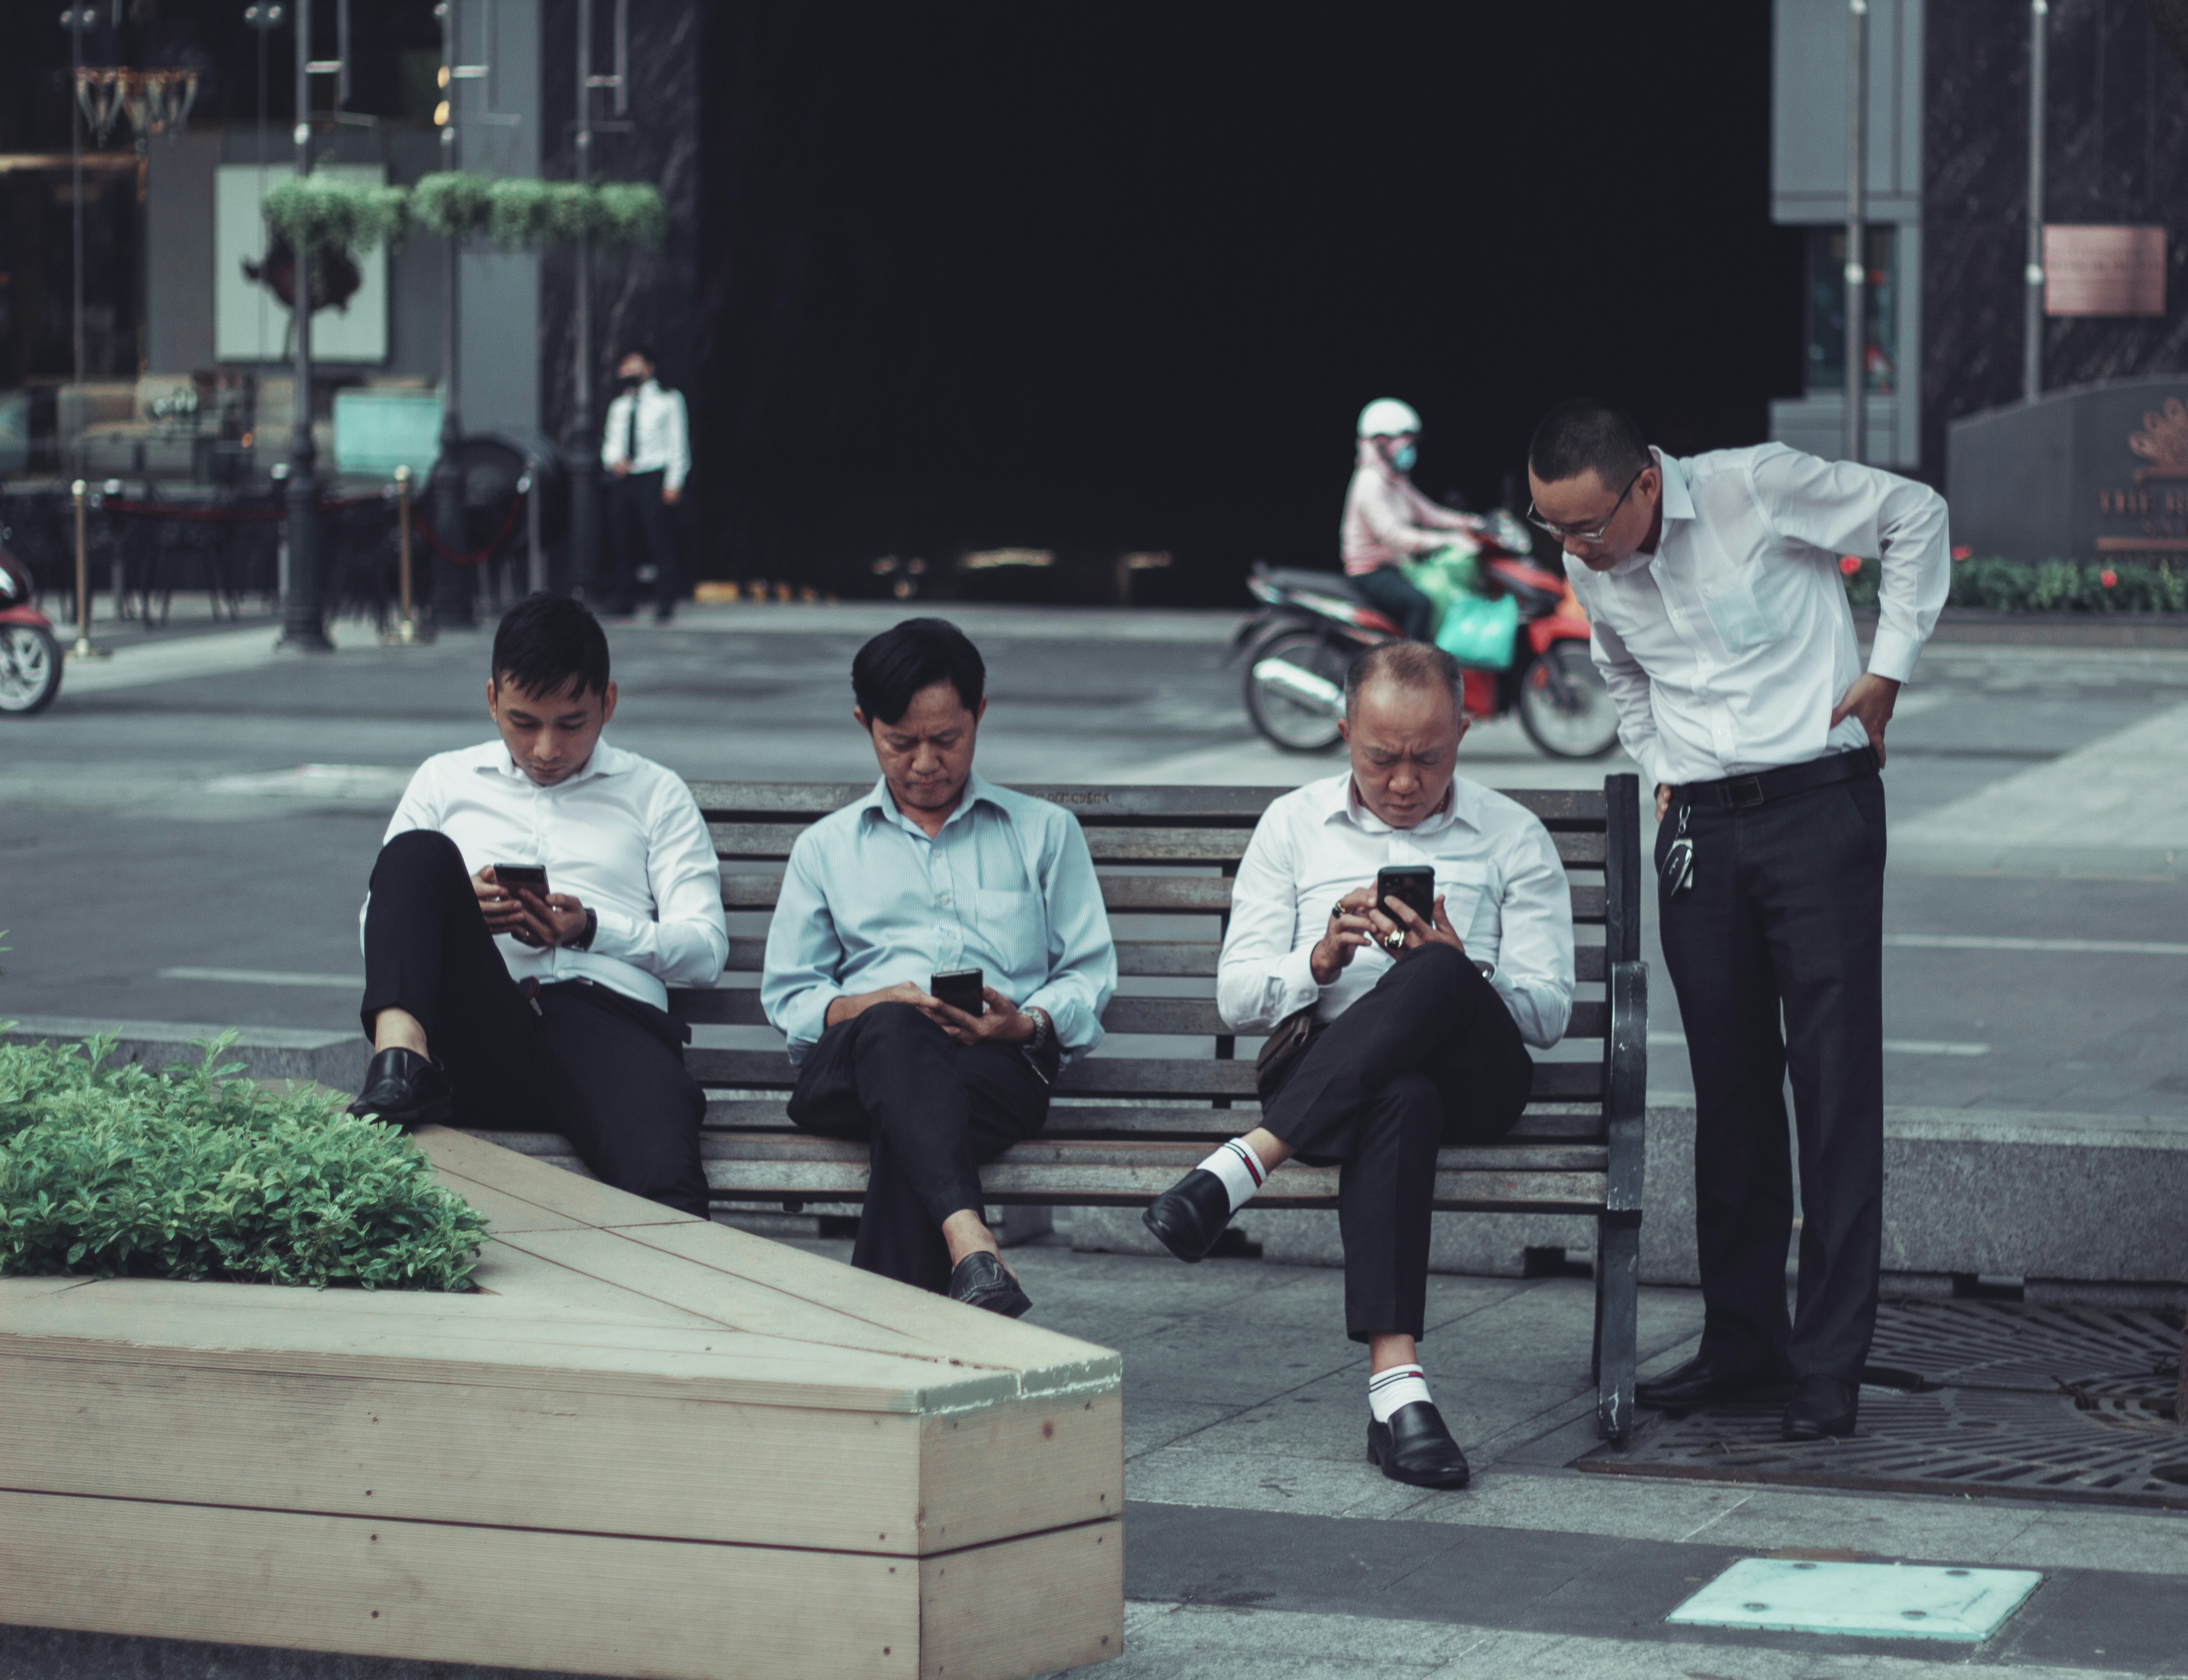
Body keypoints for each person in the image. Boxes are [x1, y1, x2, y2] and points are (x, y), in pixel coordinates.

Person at [1526, 399, 1949, 1443]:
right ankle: (1743, 1341)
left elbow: (1916, 513)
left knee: (1834, 1086)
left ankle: (1829, 1360)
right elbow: (1622, 673)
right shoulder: (1594, 562)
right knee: (1729, 1089)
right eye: (1553, 530)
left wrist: (1886, 667)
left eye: (1588, 527)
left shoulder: (1755, 487)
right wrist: (1663, 769)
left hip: (1818, 807)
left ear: (1645, 486)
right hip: (1702, 832)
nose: (1574, 549)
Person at [1141, 642, 1573, 1489]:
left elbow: (1548, 1013)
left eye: (1429, 757)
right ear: (1345, 734)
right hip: (1329, 1087)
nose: (1405, 782)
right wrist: (1319, 963)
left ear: (1465, 730)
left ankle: (1238, 1168)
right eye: (1382, 758)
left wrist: (1461, 968)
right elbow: (1237, 997)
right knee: (1398, 1094)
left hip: (1476, 1082)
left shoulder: (1513, 836)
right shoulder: (1294, 824)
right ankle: (1398, 1391)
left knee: (1441, 972)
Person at [760, 618, 1117, 1316]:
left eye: (947, 739)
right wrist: (874, 1005)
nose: (926, 762)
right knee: (897, 1027)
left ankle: (908, 1319)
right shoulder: (825, 848)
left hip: (996, 1071)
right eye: (901, 742)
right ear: (866, 725)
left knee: (917, 1132)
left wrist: (1023, 1024)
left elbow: (1088, 974)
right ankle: (969, 1241)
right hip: (854, 1072)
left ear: (979, 717)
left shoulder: (1044, 832)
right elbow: (792, 996)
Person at [348, 593, 727, 1216]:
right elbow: (379, 927)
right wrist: (458, 914)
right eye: (525, 723)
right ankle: (399, 1068)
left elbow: (705, 951)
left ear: (607, 703)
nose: (547, 749)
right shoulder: (444, 781)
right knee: (417, 855)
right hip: (481, 1029)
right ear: (492, 698)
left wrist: (590, 929)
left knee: (670, 1187)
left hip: (608, 1021)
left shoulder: (655, 794)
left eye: (571, 723)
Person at [1341, 398, 1483, 644]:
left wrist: (1469, 522)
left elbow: (1429, 514)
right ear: (1382, 442)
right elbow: (1393, 536)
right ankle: (1412, 673)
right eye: (1405, 441)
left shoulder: (1395, 481)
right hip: (1371, 572)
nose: (1410, 449)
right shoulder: (1370, 482)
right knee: (1421, 603)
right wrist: (1446, 541)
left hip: (1395, 566)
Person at [600, 345, 690, 622]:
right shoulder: (620, 405)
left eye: (635, 363)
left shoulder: (668, 400)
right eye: (625, 364)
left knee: (658, 538)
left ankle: (665, 600)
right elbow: (610, 443)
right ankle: (625, 598)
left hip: (654, 475)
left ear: (649, 368)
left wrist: (674, 481)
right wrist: (613, 460)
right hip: (626, 478)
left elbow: (678, 443)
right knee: (622, 538)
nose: (629, 369)